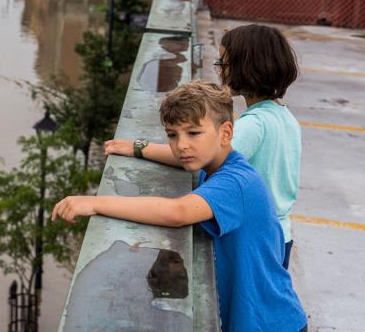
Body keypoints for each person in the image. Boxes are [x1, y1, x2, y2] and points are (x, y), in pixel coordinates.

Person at [53, 81, 307, 332]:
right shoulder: (217, 167)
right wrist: (138, 148)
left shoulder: (235, 183)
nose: (181, 145)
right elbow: (182, 158)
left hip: (271, 322)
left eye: (193, 133)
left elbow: (178, 213)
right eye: (173, 135)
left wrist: (95, 203)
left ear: (226, 133)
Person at [104, 24, 301, 268]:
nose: (219, 71)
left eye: (224, 63)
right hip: (280, 233)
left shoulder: (255, 125)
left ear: (247, 67)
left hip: (258, 240)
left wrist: (140, 148)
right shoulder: (284, 116)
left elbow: (199, 155)